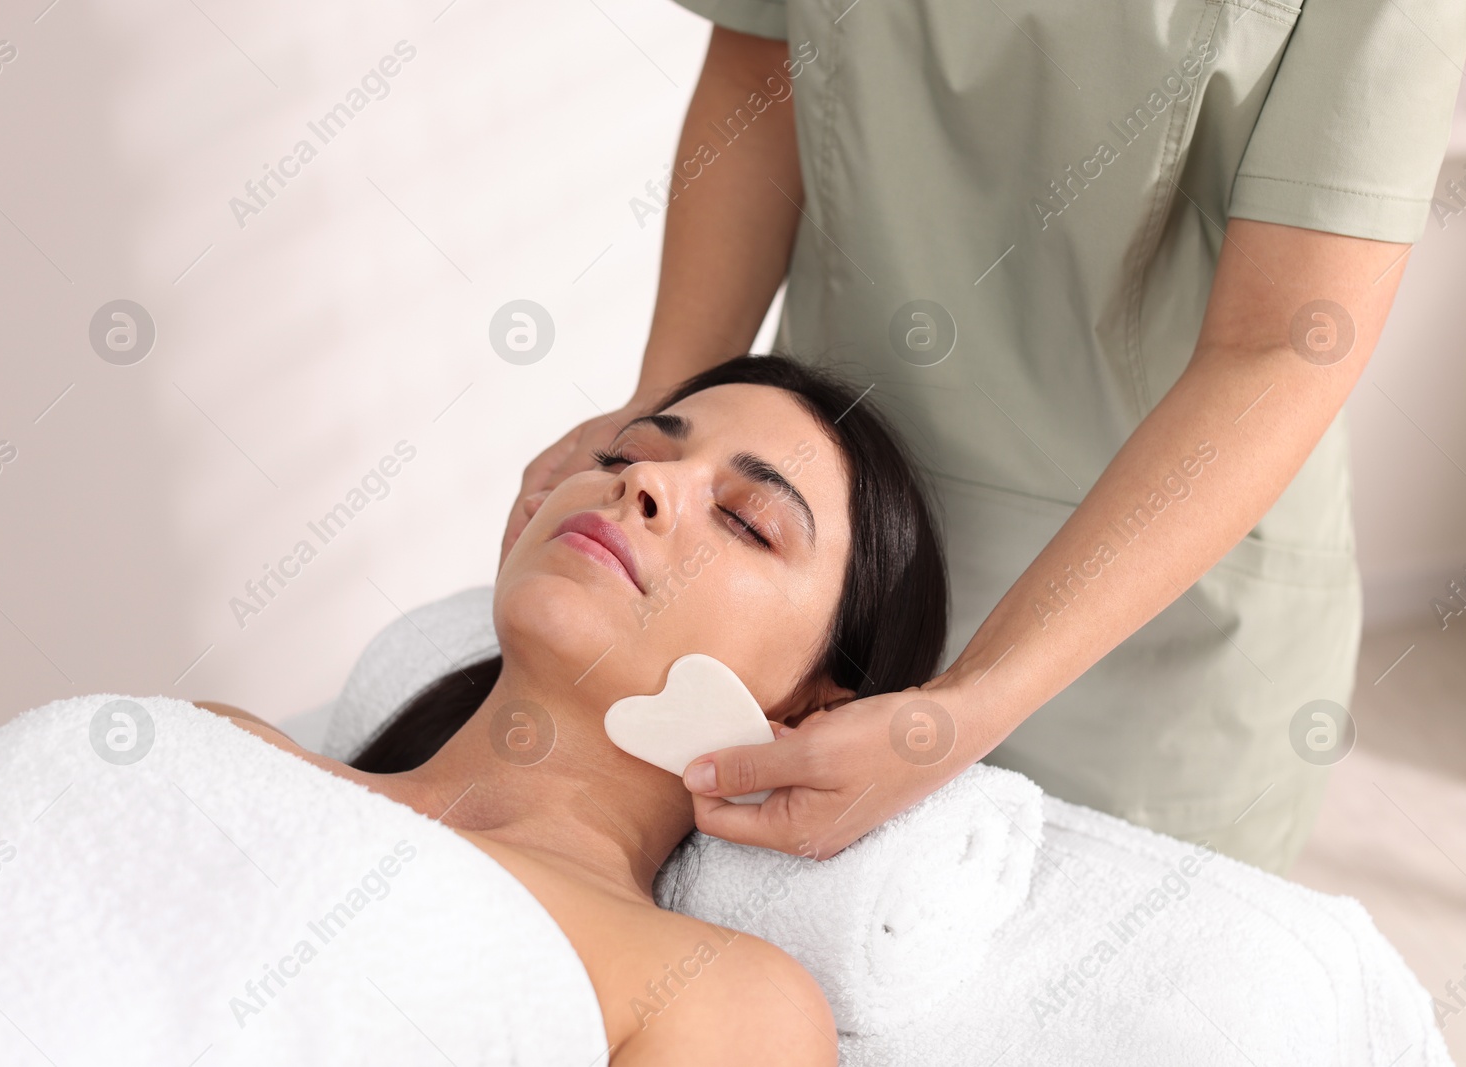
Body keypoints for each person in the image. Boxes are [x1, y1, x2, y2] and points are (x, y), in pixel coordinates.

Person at [502, 1, 1466, 872]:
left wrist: (972, 701)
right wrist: (659, 422)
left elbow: (1282, 342)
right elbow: (764, 65)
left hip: (1147, 630)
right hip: (832, 594)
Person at [197, 355, 951, 1064]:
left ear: (820, 710)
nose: (643, 479)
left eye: (746, 519)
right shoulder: (219, 748)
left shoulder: (723, 998)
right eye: (622, 456)